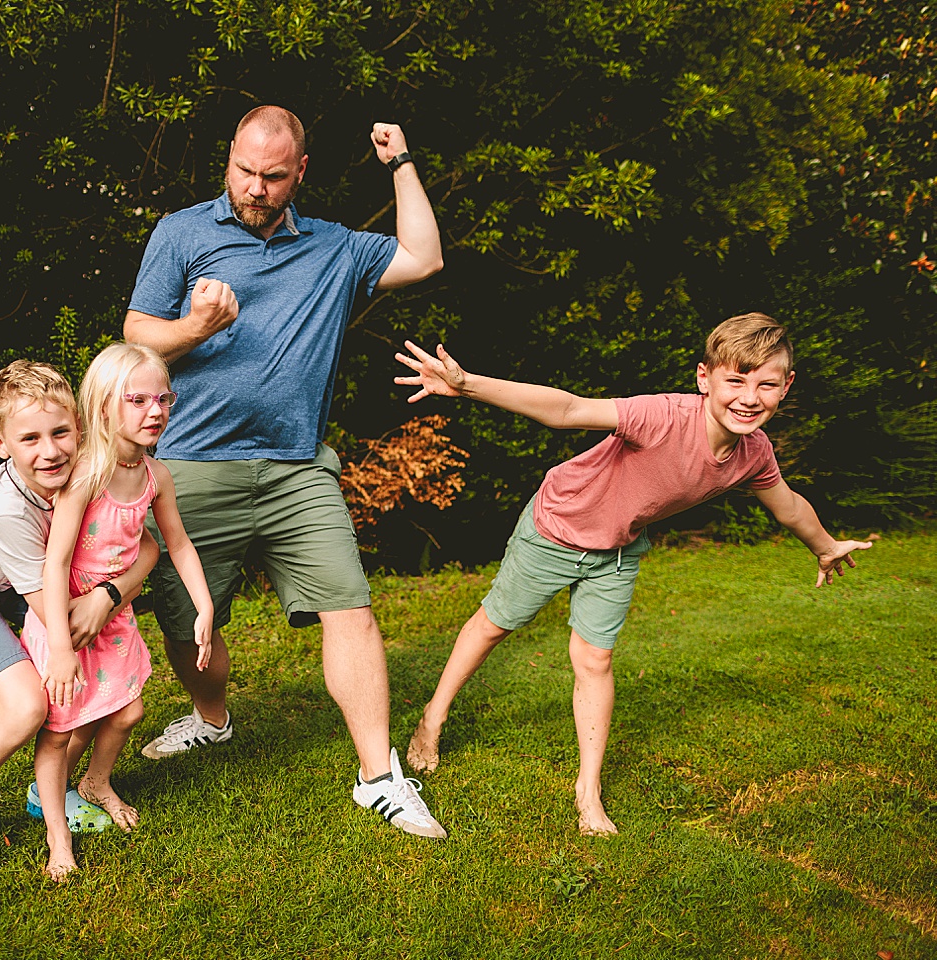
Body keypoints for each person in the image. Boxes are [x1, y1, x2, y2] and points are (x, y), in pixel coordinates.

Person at [394, 313, 873, 835]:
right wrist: (467, 385)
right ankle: (432, 719)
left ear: (786, 386)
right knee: (495, 624)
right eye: (735, 380)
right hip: (557, 526)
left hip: (618, 547)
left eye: (766, 384)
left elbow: (789, 507)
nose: (749, 397)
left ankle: (588, 790)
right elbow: (567, 409)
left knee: (595, 658)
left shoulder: (753, 453)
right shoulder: (663, 416)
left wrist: (825, 548)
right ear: (704, 378)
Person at [124, 104, 448, 838]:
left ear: (300, 172)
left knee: (350, 606)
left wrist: (401, 163)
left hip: (298, 466)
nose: (256, 187)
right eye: (244, 171)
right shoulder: (181, 232)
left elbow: (424, 257)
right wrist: (194, 329)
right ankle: (212, 720)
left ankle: (378, 775)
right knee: (186, 622)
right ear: (228, 159)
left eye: (273, 176)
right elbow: (139, 334)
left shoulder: (335, 248)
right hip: (191, 464)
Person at [0, 360, 158, 886]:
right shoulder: (7, 512)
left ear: (79, 430)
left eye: (60, 432)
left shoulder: (95, 468)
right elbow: (57, 613)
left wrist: (107, 594)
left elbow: (147, 546)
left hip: (35, 578)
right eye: (29, 438)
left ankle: (49, 789)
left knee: (92, 680)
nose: (50, 451)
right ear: (1, 444)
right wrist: (102, 604)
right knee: (26, 706)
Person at [22, 343, 215, 880]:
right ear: (105, 405)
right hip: (69, 619)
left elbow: (176, 544)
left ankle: (96, 782)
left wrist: (204, 607)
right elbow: (55, 561)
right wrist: (59, 643)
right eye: (138, 400)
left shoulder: (156, 476)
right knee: (59, 729)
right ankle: (57, 832)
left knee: (128, 712)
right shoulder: (87, 474)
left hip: (116, 616)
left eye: (164, 399)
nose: (156, 411)